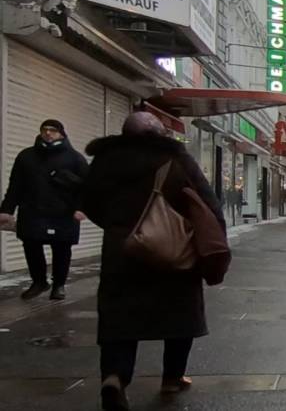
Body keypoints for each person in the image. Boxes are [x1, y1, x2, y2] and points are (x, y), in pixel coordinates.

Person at [80, 112, 224, 409]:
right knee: (179, 314)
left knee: (119, 318)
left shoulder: (107, 160)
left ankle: (115, 377)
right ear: (161, 134)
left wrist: (120, 227)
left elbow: (88, 201)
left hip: (123, 250)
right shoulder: (175, 159)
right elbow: (207, 202)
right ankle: (172, 378)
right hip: (172, 250)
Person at [0, 119, 90, 300]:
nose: (48, 133)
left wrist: (83, 208)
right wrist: (6, 209)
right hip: (33, 210)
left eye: (53, 130)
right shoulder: (26, 156)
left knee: (62, 248)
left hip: (63, 211)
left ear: (62, 134)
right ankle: (39, 282)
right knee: (31, 245)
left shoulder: (75, 158)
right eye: (45, 130)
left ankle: (59, 285)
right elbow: (15, 186)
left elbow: (87, 187)